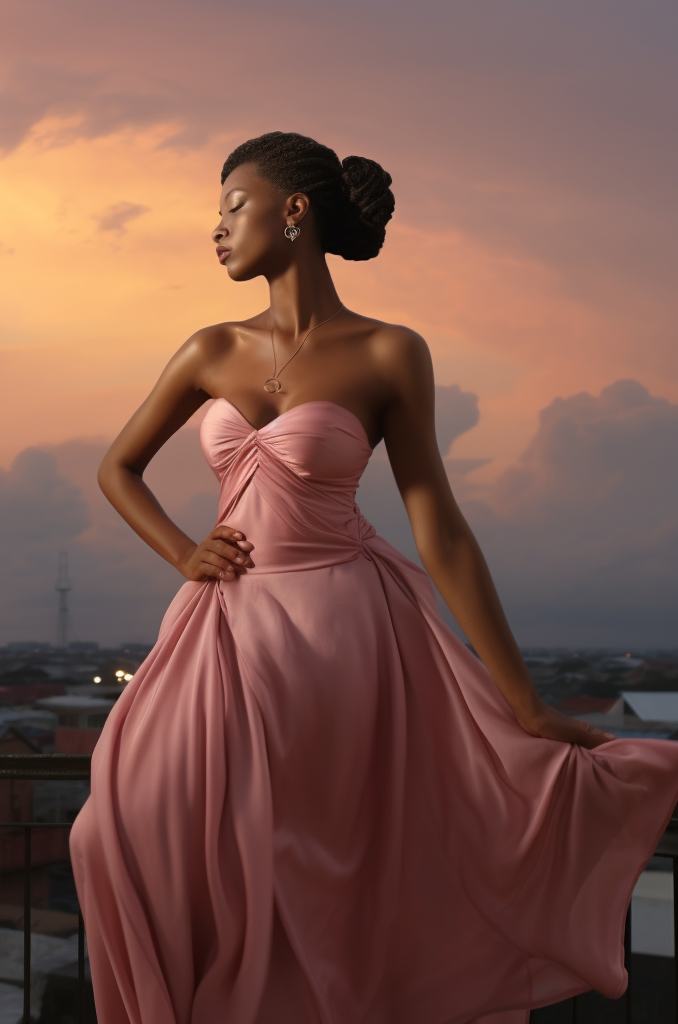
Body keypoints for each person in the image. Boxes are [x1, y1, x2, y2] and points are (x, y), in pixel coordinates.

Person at [69, 131, 678, 1024]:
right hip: (221, 630)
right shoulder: (209, 348)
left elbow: (442, 529)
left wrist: (527, 703)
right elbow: (117, 467)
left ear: (296, 210)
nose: (217, 228)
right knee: (114, 830)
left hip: (347, 633)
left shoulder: (390, 352)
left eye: (233, 205)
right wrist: (182, 551)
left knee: (321, 868)